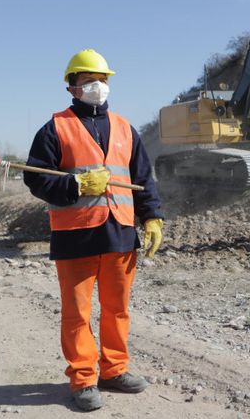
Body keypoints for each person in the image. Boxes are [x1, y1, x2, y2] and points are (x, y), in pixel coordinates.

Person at [24, 48, 164, 412]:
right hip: (76, 235)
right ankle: (83, 379)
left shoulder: (124, 128)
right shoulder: (54, 128)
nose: (96, 87)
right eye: (88, 81)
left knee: (117, 309)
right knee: (77, 313)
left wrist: (152, 217)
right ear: (71, 87)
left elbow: (143, 179)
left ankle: (114, 370)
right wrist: (76, 185)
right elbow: (35, 178)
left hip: (120, 232)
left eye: (101, 80)